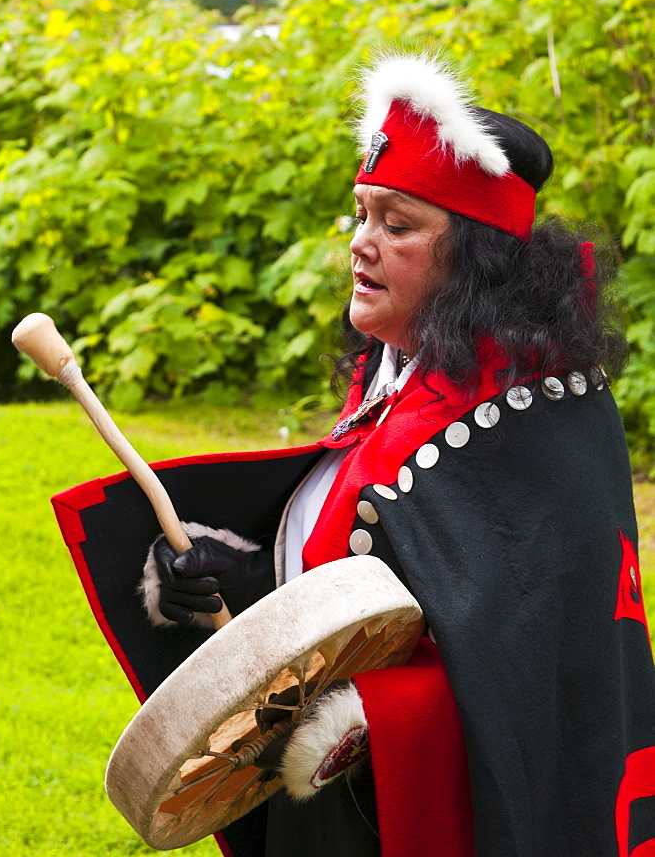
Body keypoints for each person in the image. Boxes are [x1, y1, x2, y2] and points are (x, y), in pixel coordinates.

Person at [55, 52, 655, 857]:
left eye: (396, 225)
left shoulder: (536, 419)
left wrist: (366, 717)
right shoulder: (402, 377)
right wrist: (245, 583)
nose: (360, 245)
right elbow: (372, 572)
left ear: (476, 263)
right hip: (343, 808)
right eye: (361, 216)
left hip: (426, 812)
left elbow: (533, 671)